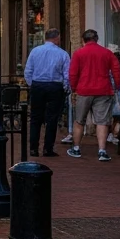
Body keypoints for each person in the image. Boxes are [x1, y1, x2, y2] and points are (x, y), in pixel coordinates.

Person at [68, 29, 120, 162]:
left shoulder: (78, 53)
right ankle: (102, 150)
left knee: (79, 120)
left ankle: (76, 148)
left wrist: (74, 88)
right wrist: (117, 86)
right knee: (102, 121)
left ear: (83, 40)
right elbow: (117, 70)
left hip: (84, 89)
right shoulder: (107, 53)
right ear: (97, 39)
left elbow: (73, 73)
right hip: (103, 90)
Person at [23, 28, 70, 157]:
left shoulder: (35, 51)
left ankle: (33, 148)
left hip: (38, 85)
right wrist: (65, 87)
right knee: (52, 118)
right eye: (59, 38)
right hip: (55, 86)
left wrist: (32, 84)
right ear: (56, 38)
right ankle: (47, 149)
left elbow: (28, 71)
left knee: (35, 118)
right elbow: (67, 74)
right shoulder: (63, 54)